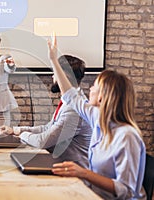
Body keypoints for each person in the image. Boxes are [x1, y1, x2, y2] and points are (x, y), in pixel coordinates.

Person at [48, 37, 146, 199]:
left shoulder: (127, 136)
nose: (90, 88)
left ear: (102, 97)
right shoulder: (97, 117)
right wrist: (53, 60)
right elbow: (70, 95)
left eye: (95, 86)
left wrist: (84, 173)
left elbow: (126, 191)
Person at [0, 55, 92, 168]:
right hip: (60, 164)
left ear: (64, 77)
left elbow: (42, 141)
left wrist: (22, 135)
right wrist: (15, 130)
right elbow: (47, 128)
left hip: (73, 174)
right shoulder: (70, 102)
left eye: (55, 73)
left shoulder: (73, 109)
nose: (52, 76)